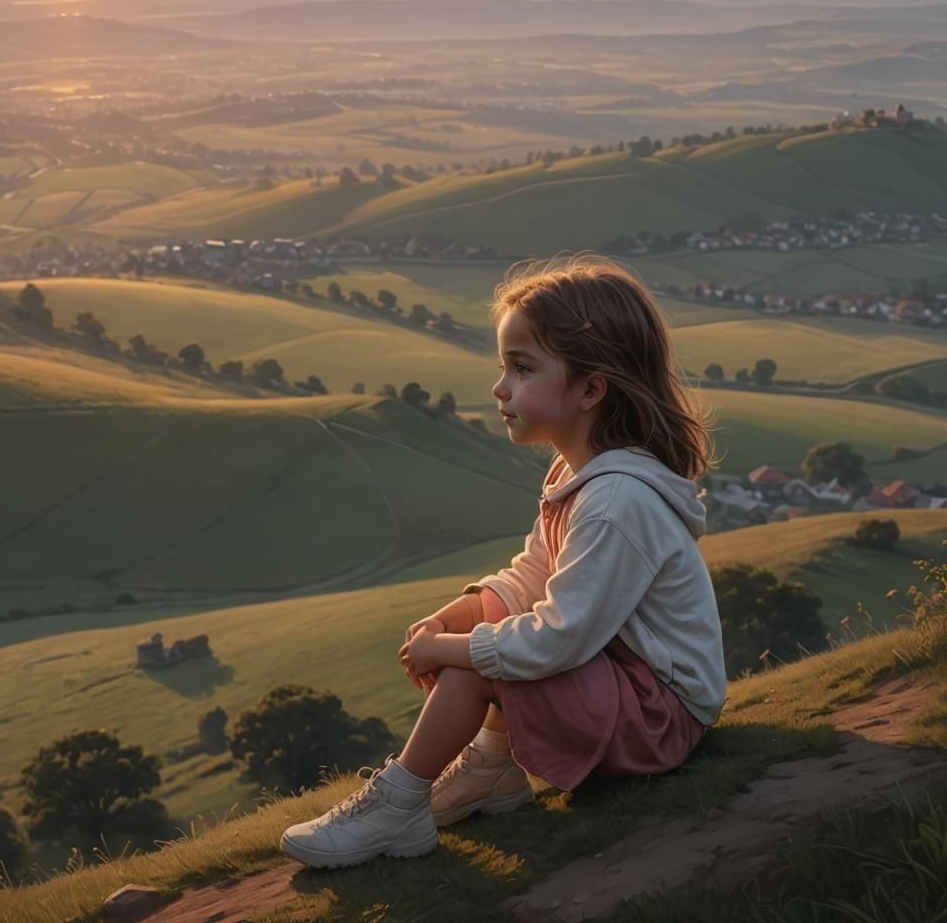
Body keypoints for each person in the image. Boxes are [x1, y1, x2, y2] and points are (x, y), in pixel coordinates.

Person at [280, 251, 727, 869]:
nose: (500, 388)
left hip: (663, 717)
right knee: (484, 634)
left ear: (590, 389)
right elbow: (532, 576)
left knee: (484, 660)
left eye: (522, 369)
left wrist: (449, 651)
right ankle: (492, 771)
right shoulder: (581, 474)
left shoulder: (614, 502)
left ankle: (396, 807)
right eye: (505, 367)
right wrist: (454, 615)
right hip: (634, 690)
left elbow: (556, 640)